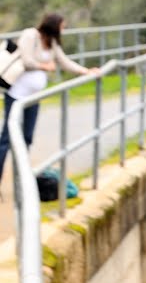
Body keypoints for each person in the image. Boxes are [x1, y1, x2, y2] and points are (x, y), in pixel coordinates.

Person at [0, 12, 100, 192]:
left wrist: (86, 71)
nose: (64, 29)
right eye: (62, 26)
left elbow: (64, 61)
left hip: (34, 97)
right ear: (54, 25)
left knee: (27, 138)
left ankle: (20, 180)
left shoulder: (52, 42)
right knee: (6, 139)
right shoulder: (30, 35)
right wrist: (45, 66)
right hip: (16, 95)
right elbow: (27, 60)